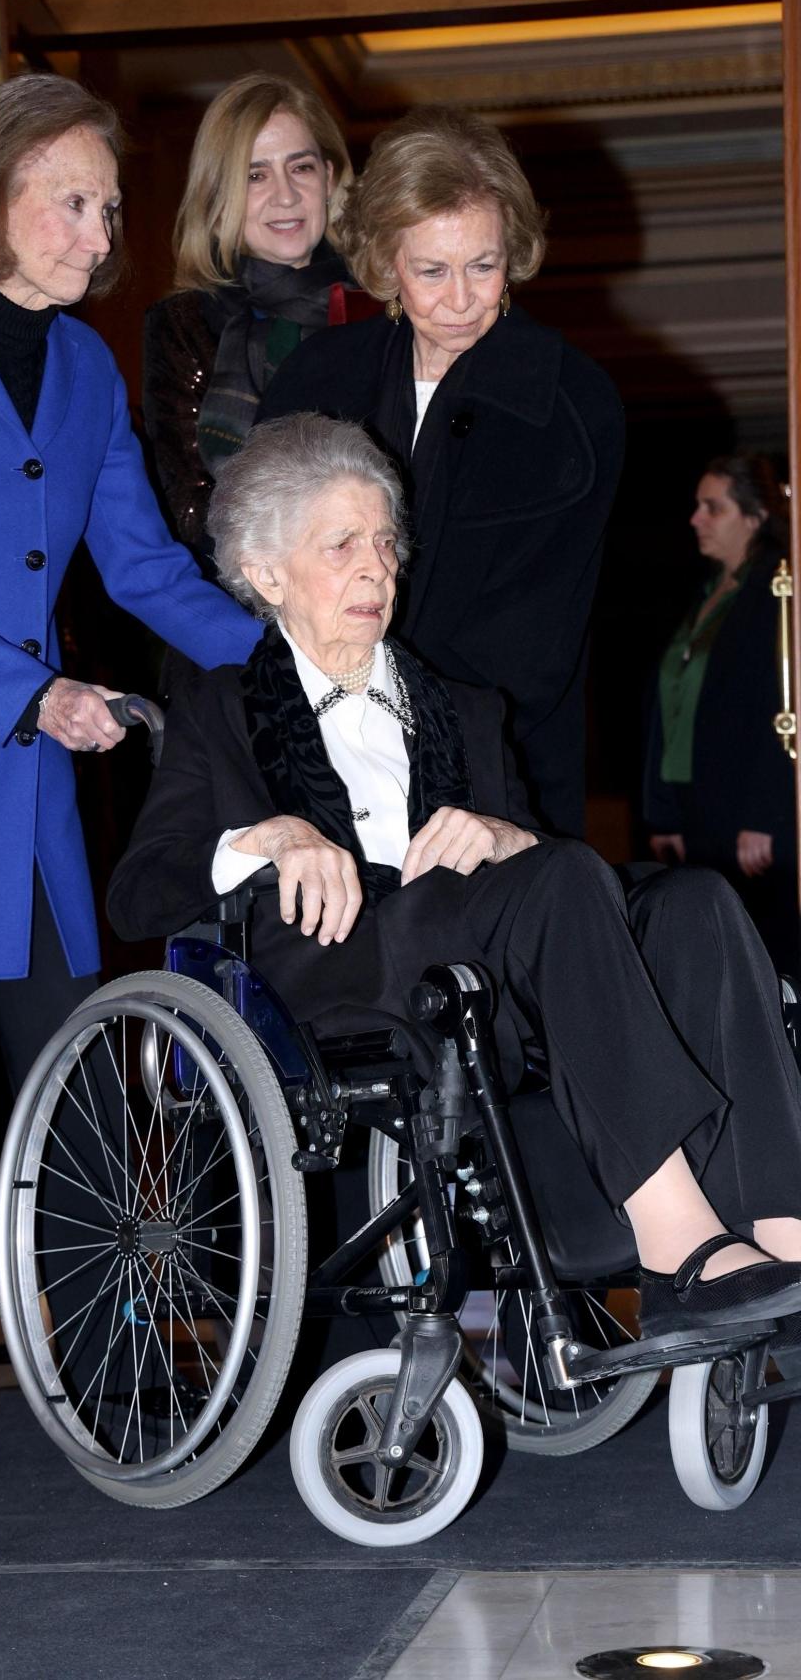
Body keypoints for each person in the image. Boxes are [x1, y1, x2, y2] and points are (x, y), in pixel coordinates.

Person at [109, 413, 801, 1357]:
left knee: (694, 901)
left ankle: (780, 1237)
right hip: (341, 972)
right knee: (558, 880)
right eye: (341, 545)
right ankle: (677, 1241)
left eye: (386, 543)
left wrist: (505, 832)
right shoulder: (215, 710)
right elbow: (139, 892)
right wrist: (266, 839)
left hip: (494, 965)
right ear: (266, 574)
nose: (376, 569)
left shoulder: (464, 708)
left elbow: (550, 882)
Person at [0, 73, 260, 1478]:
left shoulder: (86, 368)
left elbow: (139, 566)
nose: (99, 235)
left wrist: (293, 659)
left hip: (28, 802)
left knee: (77, 1083)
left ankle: (102, 1367)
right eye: (70, 202)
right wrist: (35, 691)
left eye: (109, 206)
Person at [258, 106, 625, 838]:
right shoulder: (317, 379)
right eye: (432, 271)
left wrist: (391, 714)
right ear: (386, 262)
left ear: (512, 254)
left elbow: (535, 637)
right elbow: (266, 561)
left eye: (483, 266)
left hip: (497, 771)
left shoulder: (571, 402)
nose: (460, 300)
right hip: (315, 753)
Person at [142, 72, 354, 572]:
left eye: (299, 168)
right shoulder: (185, 323)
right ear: (218, 198)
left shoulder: (384, 306)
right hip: (243, 609)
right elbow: (192, 508)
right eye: (254, 175)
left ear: (327, 178)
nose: (284, 196)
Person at [644, 455, 797, 972]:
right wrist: (665, 810)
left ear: (753, 518)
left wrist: (764, 815)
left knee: (765, 953)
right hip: (701, 806)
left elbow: (778, 707)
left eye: (713, 507)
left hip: (748, 815)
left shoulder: (775, 593)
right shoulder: (710, 594)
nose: (696, 519)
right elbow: (671, 704)